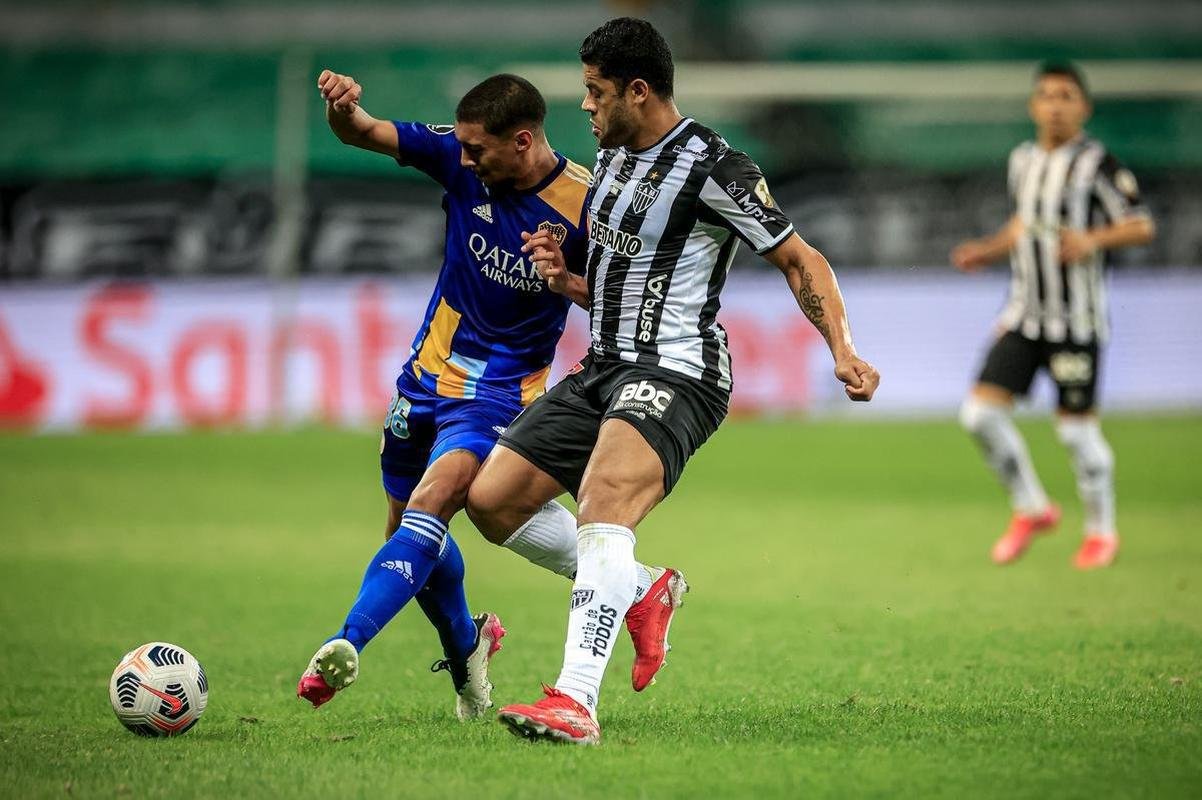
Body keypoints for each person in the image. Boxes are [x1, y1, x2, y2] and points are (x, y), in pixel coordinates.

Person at [464, 17, 880, 744]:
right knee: (492, 502)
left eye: (596, 92)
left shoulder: (716, 167)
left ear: (639, 91)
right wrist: (567, 279)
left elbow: (799, 258)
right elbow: (625, 282)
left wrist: (842, 349)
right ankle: (643, 588)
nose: (585, 106)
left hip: (678, 370)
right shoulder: (613, 160)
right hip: (604, 366)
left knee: (603, 503)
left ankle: (575, 701)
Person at [295, 70, 596, 719]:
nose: (462, 158)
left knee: (429, 506)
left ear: (521, 141)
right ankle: (467, 646)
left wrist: (565, 279)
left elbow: (618, 299)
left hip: (499, 396)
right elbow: (364, 132)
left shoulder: (585, 203)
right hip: (423, 379)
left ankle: (345, 643)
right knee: (407, 531)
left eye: (476, 148)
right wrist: (342, 109)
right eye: (460, 145)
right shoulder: (462, 161)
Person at [951, 61, 1155, 570]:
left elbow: (1141, 225)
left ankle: (1101, 533)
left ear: (1084, 107)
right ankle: (1033, 509)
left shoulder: (1098, 164)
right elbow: (1025, 222)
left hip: (1076, 322)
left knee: (1076, 433)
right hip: (1024, 316)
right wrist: (988, 250)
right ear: (1033, 106)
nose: (1055, 106)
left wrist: (1092, 240)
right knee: (979, 415)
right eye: (1047, 96)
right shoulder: (1022, 160)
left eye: (1066, 96)